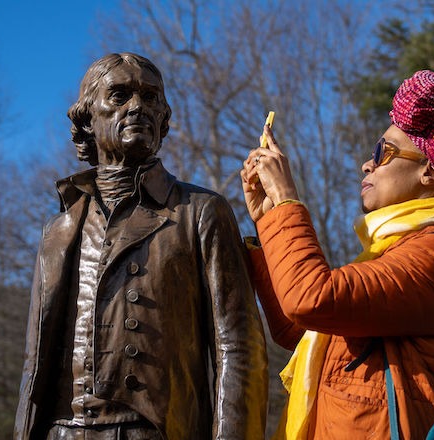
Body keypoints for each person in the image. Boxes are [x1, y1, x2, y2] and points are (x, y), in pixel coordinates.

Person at [15, 52, 268, 440]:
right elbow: (34, 367)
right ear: (87, 117)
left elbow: (239, 348)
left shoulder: (199, 212)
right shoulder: (59, 229)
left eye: (151, 98)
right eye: (120, 96)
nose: (138, 107)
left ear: (164, 119)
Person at [241, 70, 434, 439]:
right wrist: (268, 217)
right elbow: (300, 329)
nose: (367, 164)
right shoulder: (388, 251)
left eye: (382, 152)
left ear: (429, 171)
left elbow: (311, 299)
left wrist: (288, 201)